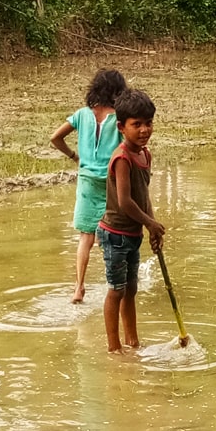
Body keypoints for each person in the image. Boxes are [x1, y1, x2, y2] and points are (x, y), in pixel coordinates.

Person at [97, 88, 165, 354]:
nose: (144, 130)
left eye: (148, 123)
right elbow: (125, 201)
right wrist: (149, 223)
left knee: (131, 289)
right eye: (137, 124)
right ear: (122, 127)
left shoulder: (144, 155)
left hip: (133, 233)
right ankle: (114, 348)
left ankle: (132, 341)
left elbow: (143, 194)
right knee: (116, 290)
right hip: (115, 233)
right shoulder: (122, 158)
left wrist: (152, 225)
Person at [51, 69, 127, 302]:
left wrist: (75, 157)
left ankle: (79, 287)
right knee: (111, 234)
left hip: (86, 179)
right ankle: (114, 284)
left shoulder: (82, 115)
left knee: (86, 236)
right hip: (111, 180)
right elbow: (127, 147)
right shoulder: (118, 119)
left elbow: (55, 138)